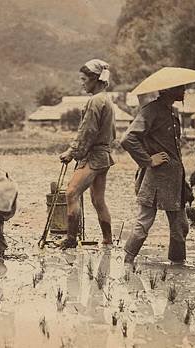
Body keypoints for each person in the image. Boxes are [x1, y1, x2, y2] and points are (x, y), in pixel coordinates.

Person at [121, 67, 195, 267]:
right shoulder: (151, 110)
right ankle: (127, 260)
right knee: (144, 222)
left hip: (174, 178)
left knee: (181, 226)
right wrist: (148, 160)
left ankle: (177, 265)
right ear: (169, 89)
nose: (184, 89)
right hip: (155, 179)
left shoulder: (172, 112)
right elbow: (128, 139)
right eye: (180, 86)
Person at [57, 59, 116, 249]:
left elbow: (87, 132)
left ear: (94, 79)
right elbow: (111, 133)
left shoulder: (94, 101)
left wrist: (71, 152)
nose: (81, 83)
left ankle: (71, 239)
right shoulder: (107, 100)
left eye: (84, 79)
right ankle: (107, 240)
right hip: (104, 156)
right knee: (98, 200)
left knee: (71, 192)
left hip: (94, 156)